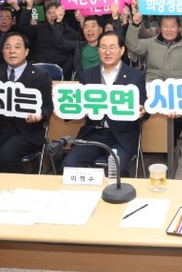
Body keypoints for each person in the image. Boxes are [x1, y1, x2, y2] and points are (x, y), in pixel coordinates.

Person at [60, 31, 146, 176]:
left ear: (122, 50)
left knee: (117, 168)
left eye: (112, 47)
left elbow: (143, 107)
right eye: (103, 47)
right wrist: (64, 110)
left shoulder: (135, 76)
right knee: (68, 165)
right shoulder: (87, 75)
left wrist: (142, 111)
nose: (107, 52)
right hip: (93, 133)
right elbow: (79, 106)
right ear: (98, 50)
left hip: (122, 135)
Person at [0, 32, 52, 173]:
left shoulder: (41, 75)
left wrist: (40, 115)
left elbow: (48, 106)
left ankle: (22, 183)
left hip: (25, 131)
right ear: (2, 52)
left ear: (26, 52)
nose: (12, 51)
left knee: (5, 158)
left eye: (17, 47)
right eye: (7, 47)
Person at [125, 11, 182, 83]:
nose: (169, 30)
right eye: (165, 26)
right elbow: (132, 45)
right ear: (160, 29)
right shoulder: (150, 43)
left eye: (173, 26)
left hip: (180, 85)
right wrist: (135, 25)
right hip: (154, 85)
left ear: (179, 28)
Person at [19, 0, 78, 79]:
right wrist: (28, 7)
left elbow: (73, 56)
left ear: (62, 14)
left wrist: (62, 71)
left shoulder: (71, 32)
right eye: (49, 13)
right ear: (45, 15)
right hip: (38, 71)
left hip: (62, 74)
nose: (52, 15)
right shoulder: (40, 28)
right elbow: (23, 27)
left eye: (55, 12)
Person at [53, 8, 104, 78]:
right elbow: (59, 43)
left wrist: (116, 18)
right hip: (82, 82)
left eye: (93, 26)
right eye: (86, 27)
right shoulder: (79, 46)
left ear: (100, 30)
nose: (89, 29)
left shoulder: (106, 47)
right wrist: (58, 21)